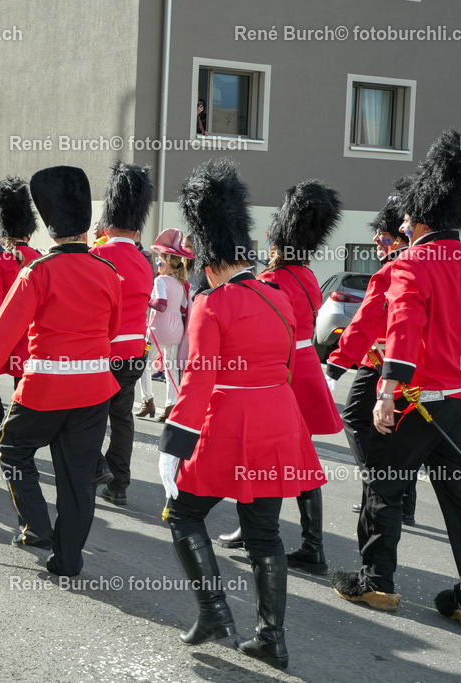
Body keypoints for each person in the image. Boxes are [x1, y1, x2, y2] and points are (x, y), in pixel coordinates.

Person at [332, 130, 461, 635]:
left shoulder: (410, 262)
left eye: (408, 219)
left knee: (384, 487)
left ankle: (376, 581)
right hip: (460, 400)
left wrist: (387, 392)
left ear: (418, 219)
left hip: (416, 400)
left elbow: (402, 329)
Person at [159, 158, 323, 670]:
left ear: (210, 260)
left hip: (229, 418)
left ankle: (214, 613)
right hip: (279, 419)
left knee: (183, 513)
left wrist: (173, 444)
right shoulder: (278, 296)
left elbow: (200, 377)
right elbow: (292, 364)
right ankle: (272, 639)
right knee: (265, 534)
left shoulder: (213, 302)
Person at [0, 165, 121, 577]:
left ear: (51, 229)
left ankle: (36, 528)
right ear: (84, 228)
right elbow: (113, 329)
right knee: (79, 480)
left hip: (45, 387)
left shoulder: (38, 272)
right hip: (94, 390)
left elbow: (0, 336)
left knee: (13, 452)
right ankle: (68, 560)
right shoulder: (107, 273)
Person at [217, 180, 344, 578]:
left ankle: (305, 545)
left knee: (258, 453)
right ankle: (306, 542)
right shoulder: (305, 275)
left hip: (285, 370)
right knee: (300, 459)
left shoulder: (273, 281)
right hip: (305, 366)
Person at [325, 179, 417, 520]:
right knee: (399, 431)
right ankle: (401, 503)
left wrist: (335, 365)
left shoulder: (395, 268)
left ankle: (380, 489)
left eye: (383, 236)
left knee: (354, 418)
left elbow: (366, 322)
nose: (377, 243)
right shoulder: (420, 262)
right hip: (410, 363)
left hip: (382, 359)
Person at [91, 161, 157, 507]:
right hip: (134, 353)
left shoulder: (97, 255)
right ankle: (119, 485)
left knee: (87, 417)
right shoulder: (147, 262)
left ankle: (96, 467)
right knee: (122, 420)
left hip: (101, 352)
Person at [0, 176, 43, 444]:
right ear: (28, 232)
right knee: (23, 385)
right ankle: (15, 429)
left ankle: (1, 421)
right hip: (31, 335)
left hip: (6, 333)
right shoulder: (40, 259)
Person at [137, 229, 191, 422]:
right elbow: (185, 306)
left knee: (142, 364)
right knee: (170, 369)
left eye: (160, 259)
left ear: (167, 262)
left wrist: (145, 299)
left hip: (158, 330)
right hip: (177, 330)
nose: (158, 263)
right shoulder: (181, 282)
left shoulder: (160, 280)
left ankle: (148, 400)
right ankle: (170, 406)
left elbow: (161, 305)